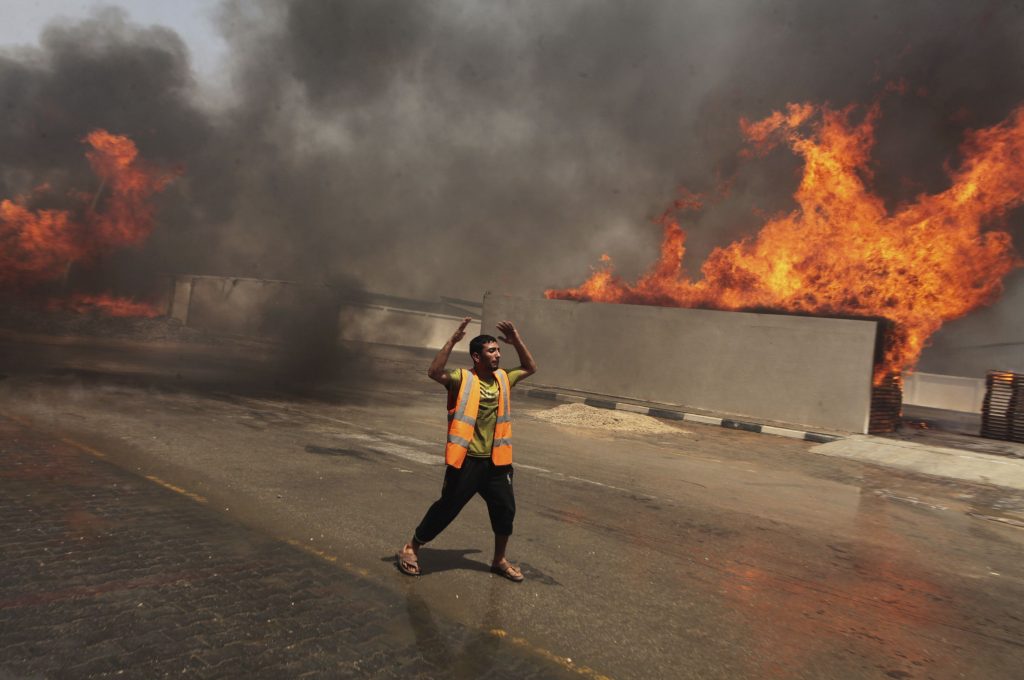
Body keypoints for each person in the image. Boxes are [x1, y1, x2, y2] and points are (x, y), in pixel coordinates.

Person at [397, 316, 537, 581]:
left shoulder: (504, 378)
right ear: (476, 356)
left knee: (505, 510)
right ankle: (411, 548)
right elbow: (434, 372)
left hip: (498, 461)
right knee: (447, 508)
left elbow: (530, 367)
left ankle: (498, 560)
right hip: (467, 460)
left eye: (498, 350)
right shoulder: (461, 379)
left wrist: (516, 339)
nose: (498, 355)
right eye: (492, 350)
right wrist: (452, 341)